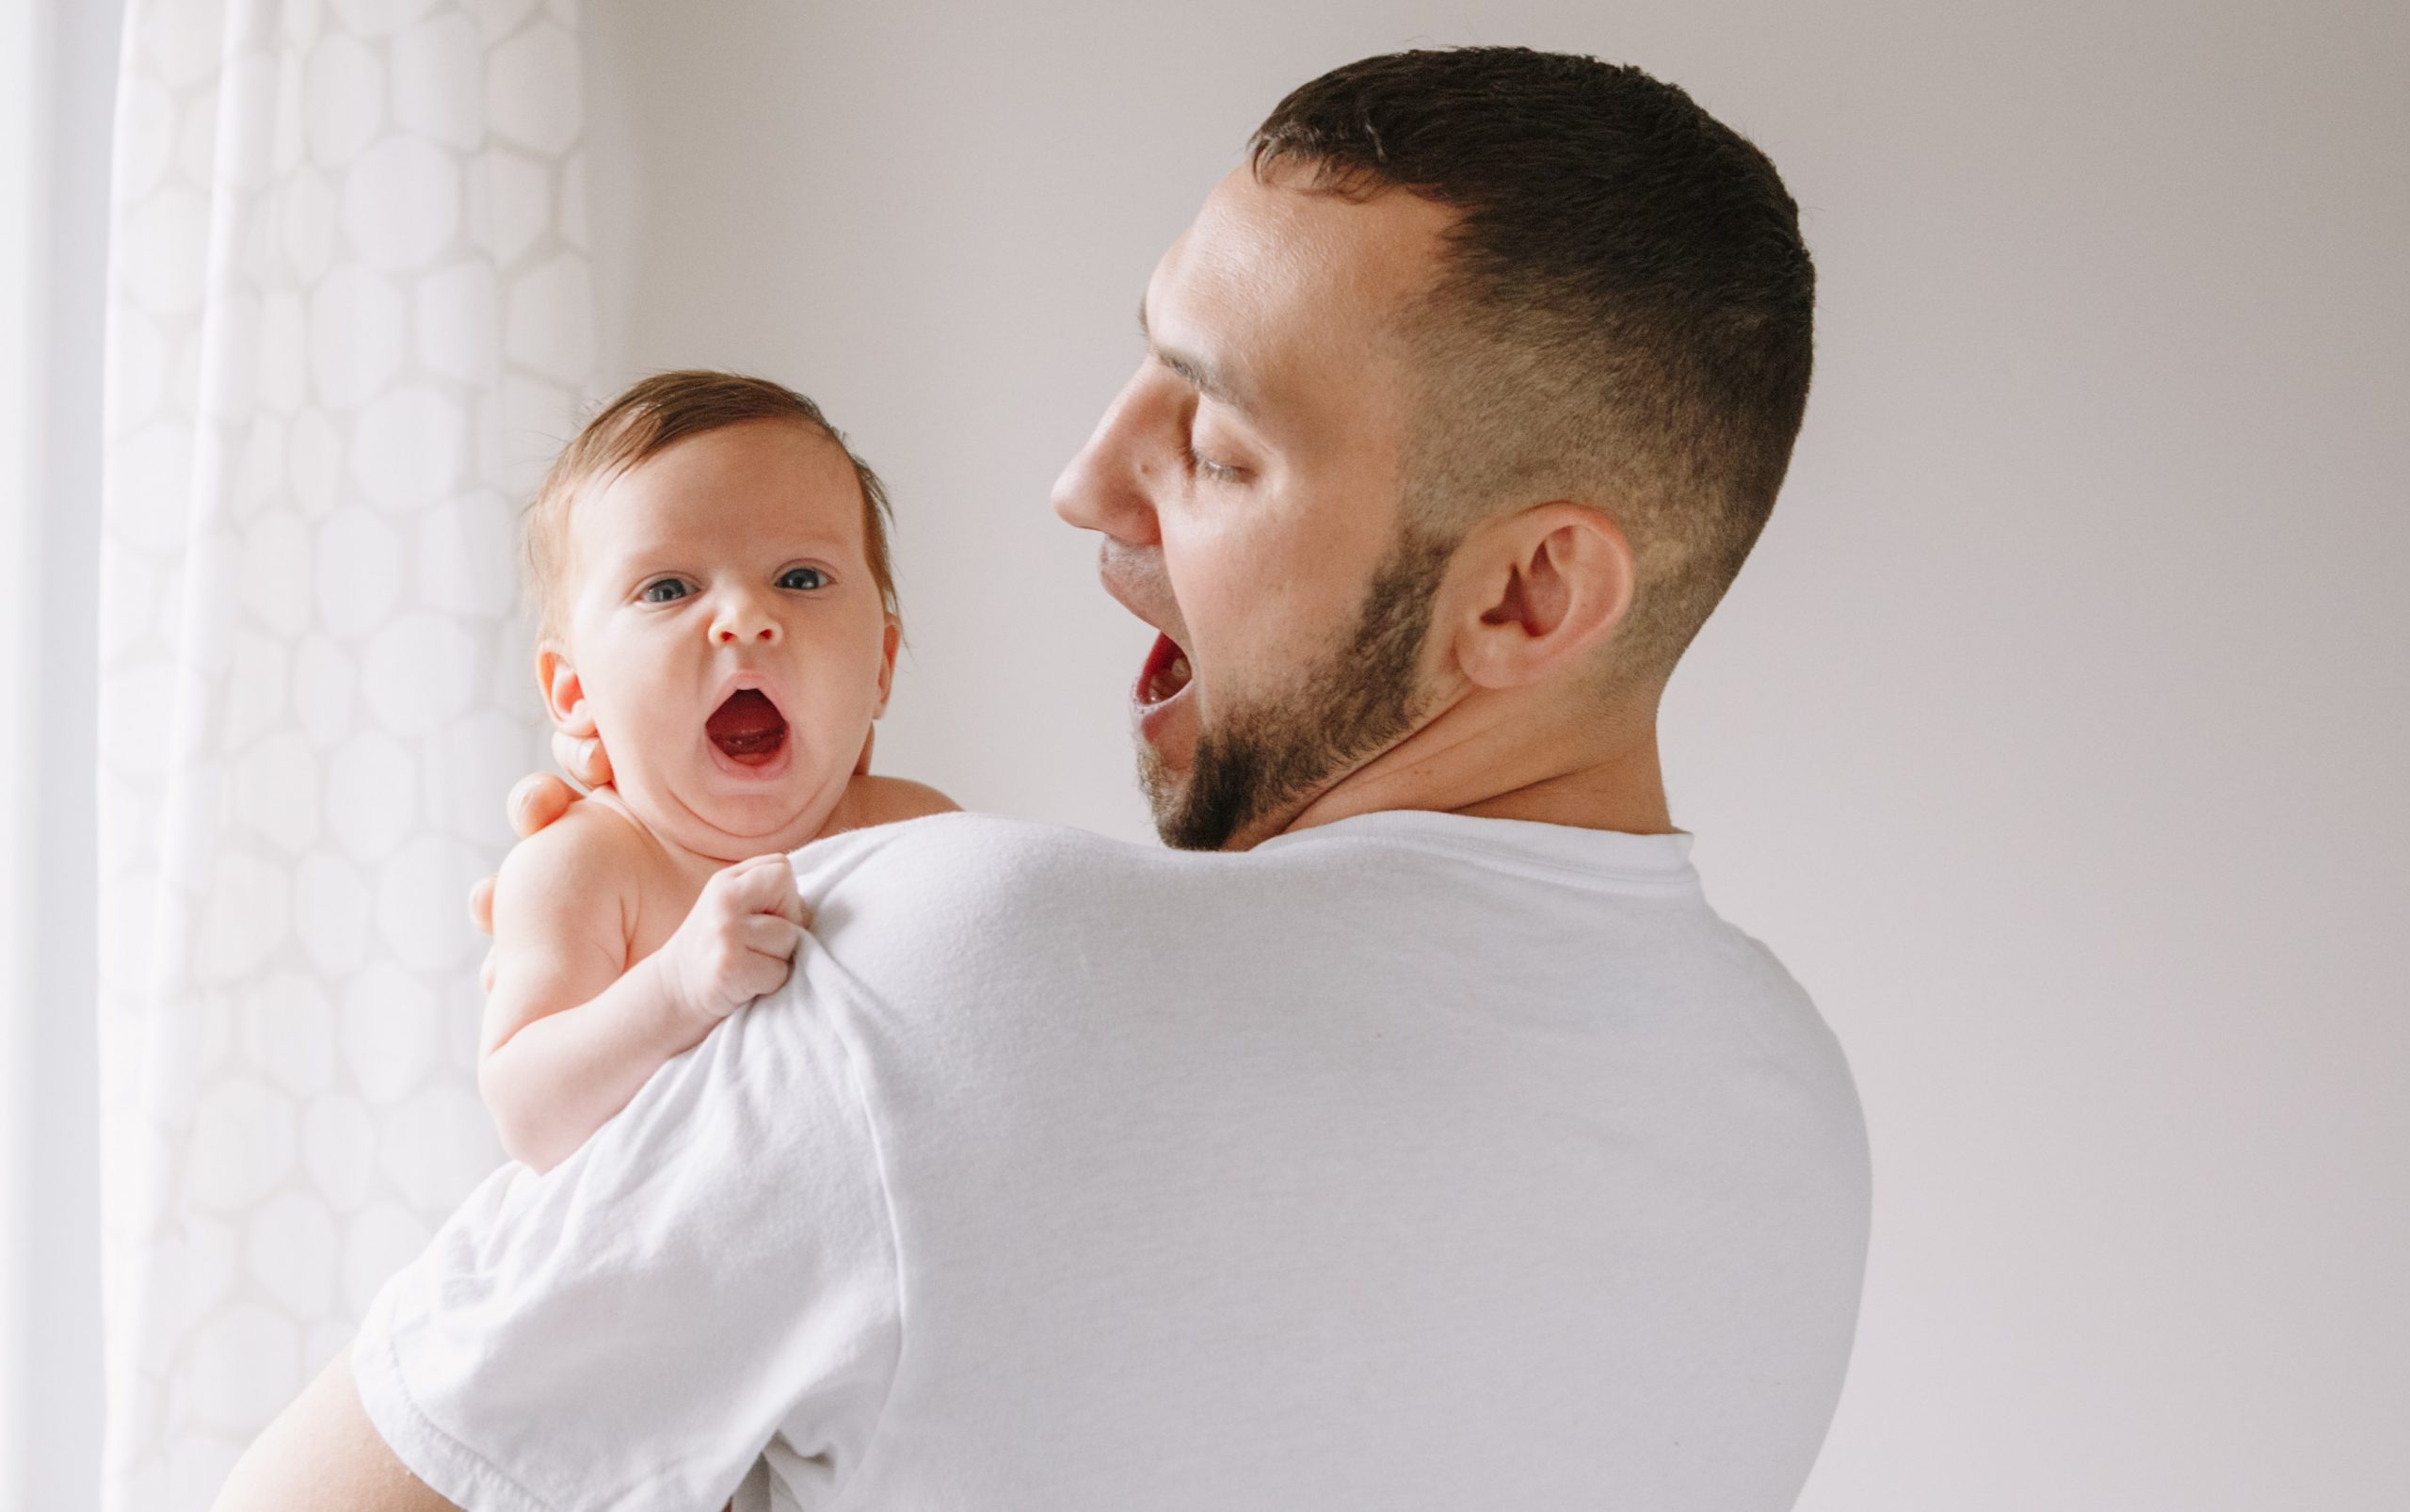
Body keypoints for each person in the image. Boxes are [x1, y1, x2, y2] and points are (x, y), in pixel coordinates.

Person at [216, 46, 1871, 1511]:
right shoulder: (1789, 1111)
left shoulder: (927, 960)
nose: (1084, 483)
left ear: (1525, 598)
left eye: (1216, 449)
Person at [476, 371, 954, 1175]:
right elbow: (530, 1114)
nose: (745, 618)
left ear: (881, 665)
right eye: (668, 588)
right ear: (575, 692)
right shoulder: (587, 866)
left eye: (800, 578)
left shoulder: (916, 830)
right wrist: (675, 988)